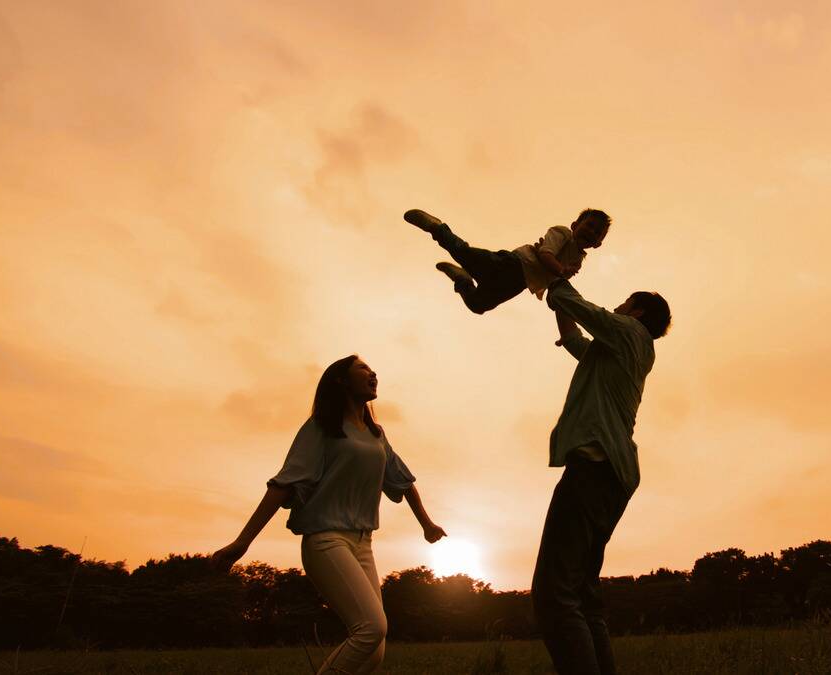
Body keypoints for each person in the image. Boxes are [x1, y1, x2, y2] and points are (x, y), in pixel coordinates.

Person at [212, 355, 446, 674]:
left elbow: (402, 480)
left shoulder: (376, 434)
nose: (372, 372)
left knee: (374, 652)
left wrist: (427, 524)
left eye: (372, 368)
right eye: (363, 368)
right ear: (340, 380)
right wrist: (243, 541)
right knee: (370, 629)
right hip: (326, 540)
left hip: (363, 543)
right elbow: (284, 483)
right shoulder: (322, 428)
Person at [532, 278, 672, 675]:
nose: (619, 306)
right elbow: (574, 333)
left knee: (553, 595)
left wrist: (555, 272)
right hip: (613, 472)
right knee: (581, 594)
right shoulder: (619, 350)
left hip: (595, 465)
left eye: (625, 302)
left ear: (638, 311)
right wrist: (559, 302)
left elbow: (579, 307)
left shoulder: (628, 330)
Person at [404, 208, 610, 314]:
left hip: (519, 283)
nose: (591, 232)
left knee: (478, 305)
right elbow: (545, 254)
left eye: (597, 232)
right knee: (463, 252)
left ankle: (462, 280)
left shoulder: (579, 259)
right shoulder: (563, 233)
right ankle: (437, 228)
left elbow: (558, 281)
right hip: (513, 265)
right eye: (589, 225)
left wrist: (560, 290)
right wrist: (562, 271)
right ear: (575, 224)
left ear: (598, 244)